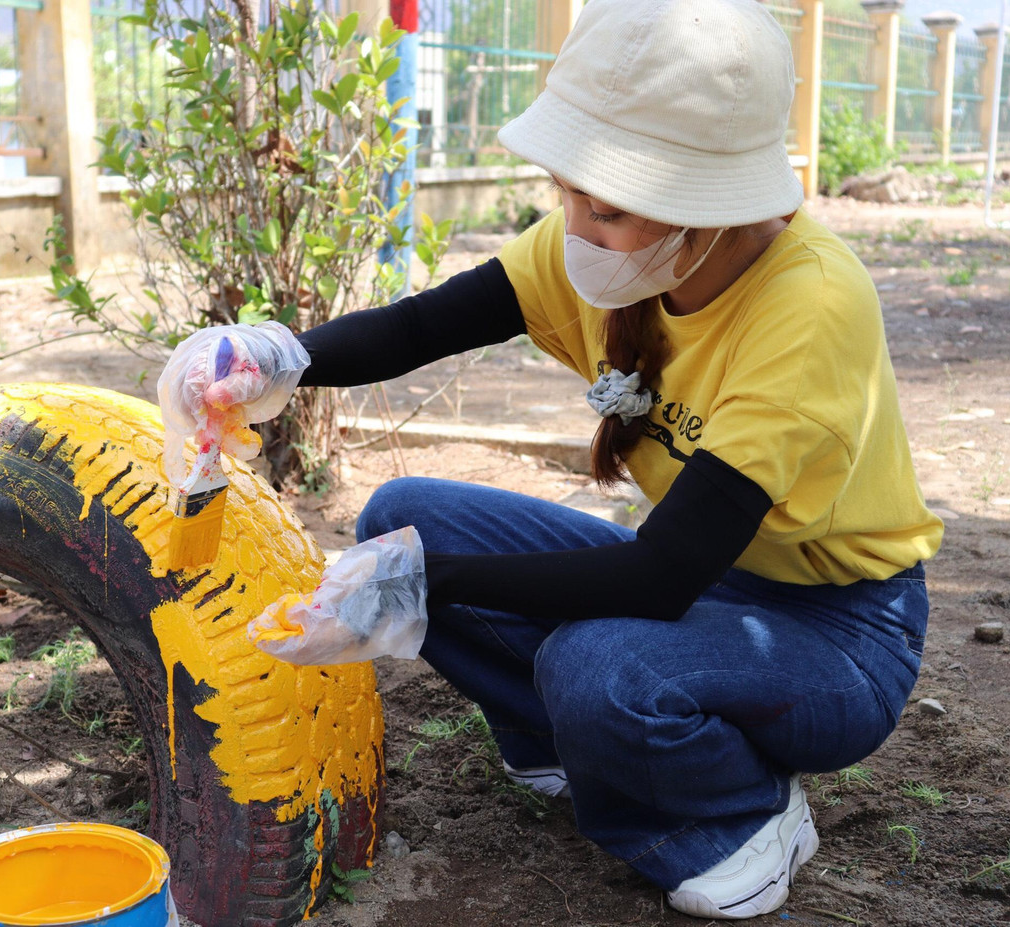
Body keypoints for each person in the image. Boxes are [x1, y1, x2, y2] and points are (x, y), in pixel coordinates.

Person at [161, 0, 942, 918]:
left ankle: (738, 813)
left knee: (596, 666)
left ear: (709, 205)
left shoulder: (809, 308)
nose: (574, 227)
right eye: (567, 191)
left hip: (837, 632)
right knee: (402, 516)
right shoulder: (622, 253)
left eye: (605, 208)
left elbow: (660, 576)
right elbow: (420, 326)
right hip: (712, 585)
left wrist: (425, 582)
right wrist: (276, 357)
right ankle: (572, 744)